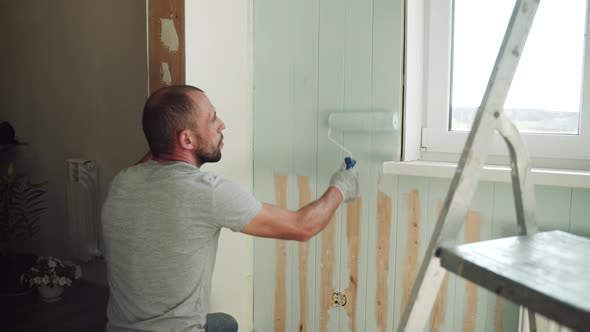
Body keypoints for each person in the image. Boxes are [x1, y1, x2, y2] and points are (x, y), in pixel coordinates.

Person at [101, 85, 359, 332]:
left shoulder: (122, 181)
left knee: (225, 323)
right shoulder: (208, 192)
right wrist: (340, 187)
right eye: (212, 119)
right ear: (187, 139)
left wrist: (164, 134)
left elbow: (157, 154)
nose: (221, 124)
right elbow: (302, 226)